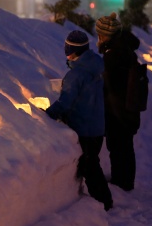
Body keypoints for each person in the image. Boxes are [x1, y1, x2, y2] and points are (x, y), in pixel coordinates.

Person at [46, 30, 113, 211]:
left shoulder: (76, 75)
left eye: (67, 48)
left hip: (84, 127)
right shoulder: (97, 68)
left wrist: (46, 115)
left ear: (72, 50)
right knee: (92, 162)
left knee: (90, 166)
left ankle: (103, 203)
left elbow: (65, 102)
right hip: (97, 125)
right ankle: (104, 200)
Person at [95, 13, 141, 191]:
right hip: (127, 108)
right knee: (125, 147)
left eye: (99, 34)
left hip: (118, 110)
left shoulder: (114, 55)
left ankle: (122, 184)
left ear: (104, 35)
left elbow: (111, 85)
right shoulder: (124, 49)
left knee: (118, 147)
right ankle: (125, 181)